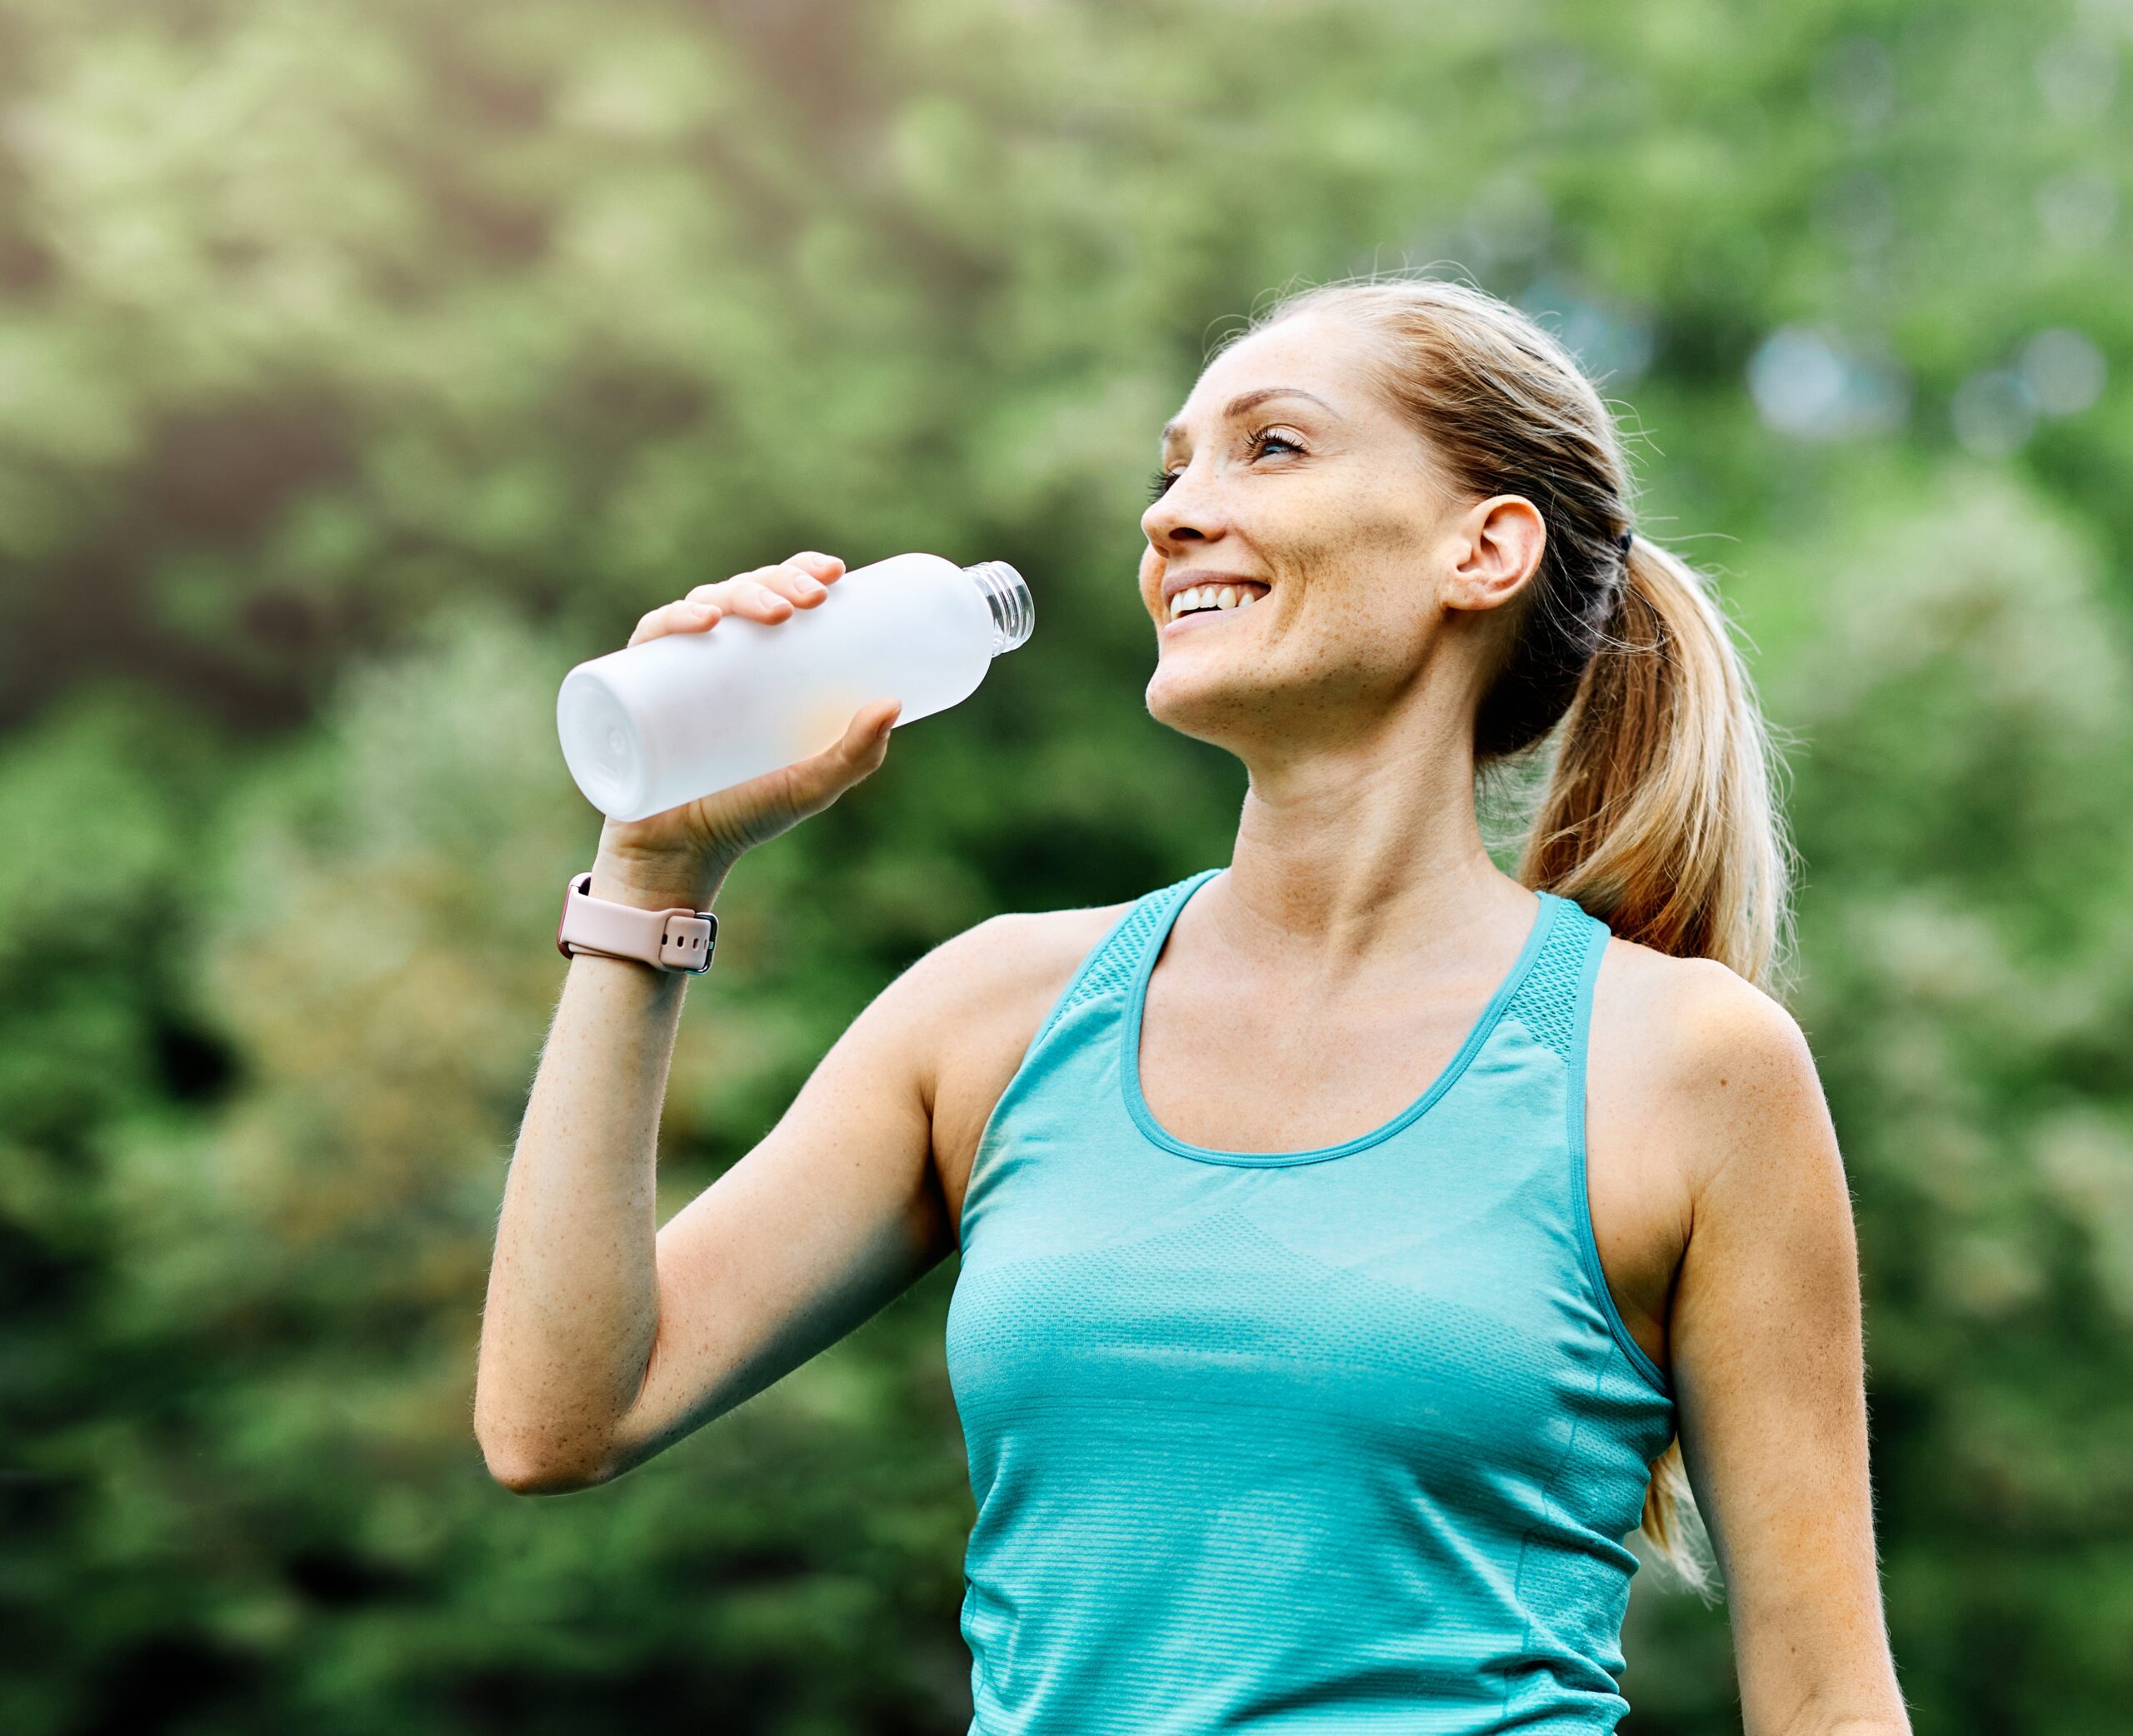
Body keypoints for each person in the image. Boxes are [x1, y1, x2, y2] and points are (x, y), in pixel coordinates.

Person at [474, 275, 1911, 1735]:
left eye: (1270, 448)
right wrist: (652, 868)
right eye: (1171, 472)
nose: (1172, 516)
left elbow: (1827, 1703)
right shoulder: (994, 1014)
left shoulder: (1683, 1068)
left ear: (1482, 549)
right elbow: (558, 1417)